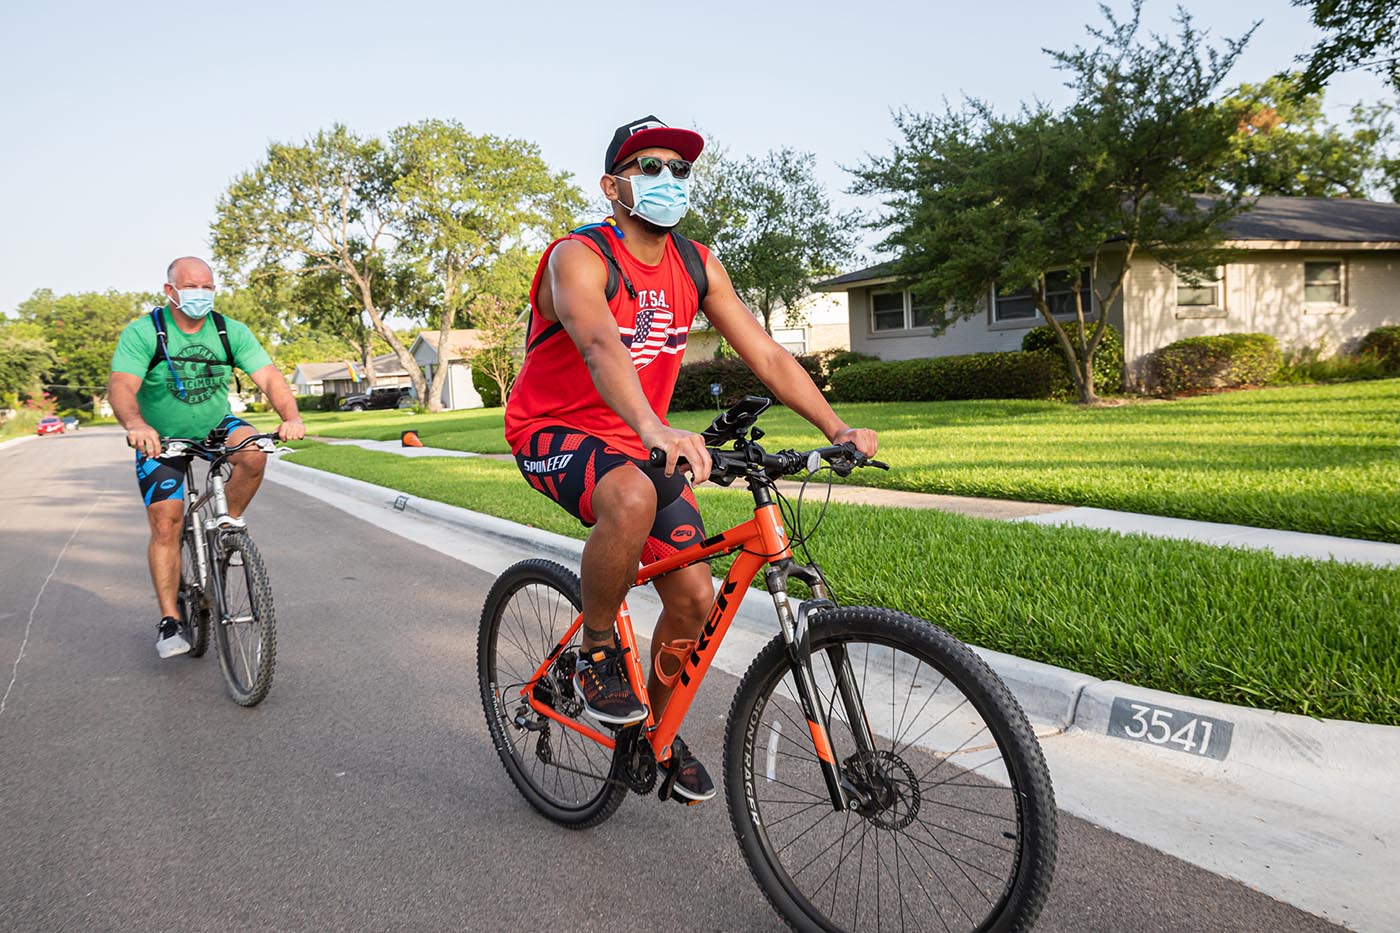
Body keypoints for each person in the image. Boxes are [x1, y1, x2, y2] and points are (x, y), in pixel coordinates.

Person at [504, 117, 878, 803]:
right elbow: (597, 343)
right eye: (650, 167)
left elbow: (764, 354)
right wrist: (654, 425)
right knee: (630, 497)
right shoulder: (579, 256)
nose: (668, 180)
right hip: (552, 429)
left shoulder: (696, 263)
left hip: (638, 440)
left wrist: (837, 425)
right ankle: (594, 649)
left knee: (696, 594)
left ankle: (658, 736)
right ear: (612, 185)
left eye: (679, 170)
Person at [107, 256, 305, 659]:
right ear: (170, 291)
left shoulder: (229, 331)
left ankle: (224, 527)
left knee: (253, 452)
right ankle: (170, 619)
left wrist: (291, 417)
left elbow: (268, 376)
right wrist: (136, 425)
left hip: (214, 424)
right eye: (192, 286)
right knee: (166, 522)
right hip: (159, 438)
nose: (201, 294)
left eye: (207, 286)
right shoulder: (145, 333)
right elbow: (122, 386)